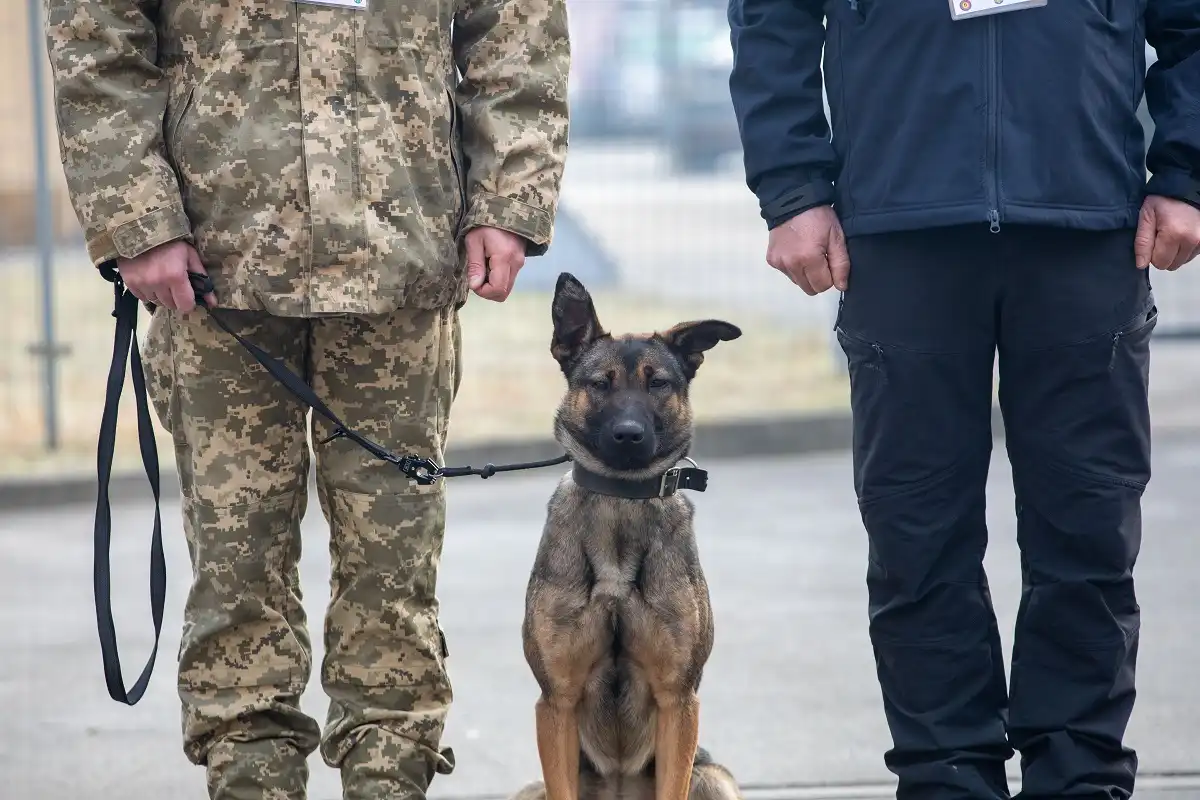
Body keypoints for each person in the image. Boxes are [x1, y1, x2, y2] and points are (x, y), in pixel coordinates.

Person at [45, 1, 569, 798]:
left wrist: (507, 198)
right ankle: (253, 784)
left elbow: (516, 26)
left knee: (393, 573)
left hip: (401, 245)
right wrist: (137, 217)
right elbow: (97, 36)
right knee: (236, 570)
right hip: (219, 258)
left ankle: (390, 783)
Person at [728, 2, 1199, 799]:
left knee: (1087, 532)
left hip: (1084, 223)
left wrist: (1187, 173)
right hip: (903, 225)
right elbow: (772, 17)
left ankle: (1079, 776)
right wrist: (794, 187)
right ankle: (947, 777)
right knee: (917, 539)